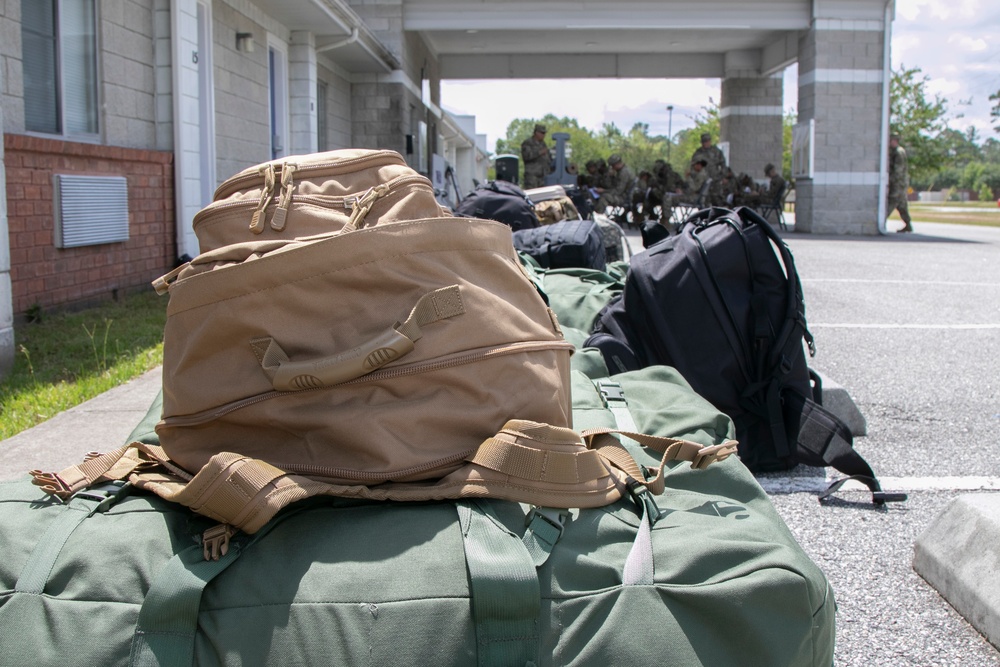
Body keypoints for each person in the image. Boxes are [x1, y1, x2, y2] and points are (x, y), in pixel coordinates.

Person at [594, 154, 636, 218]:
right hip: (622, 196)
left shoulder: (624, 173)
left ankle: (598, 217)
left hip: (623, 198)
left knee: (604, 197)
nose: (612, 168)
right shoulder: (621, 171)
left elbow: (618, 191)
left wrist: (603, 191)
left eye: (612, 166)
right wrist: (612, 177)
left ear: (617, 164)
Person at [888, 134, 913, 233]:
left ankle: (881, 222)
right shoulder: (895, 151)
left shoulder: (899, 152)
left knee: (892, 201)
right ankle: (908, 225)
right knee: (902, 205)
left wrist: (891, 181)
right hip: (900, 183)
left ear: (894, 140)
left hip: (898, 184)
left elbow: (898, 170)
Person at [520, 123, 551, 189]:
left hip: (542, 176)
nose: (544, 135)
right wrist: (539, 152)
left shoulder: (543, 144)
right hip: (532, 176)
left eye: (544, 133)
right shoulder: (528, 143)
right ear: (536, 133)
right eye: (542, 133)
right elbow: (526, 156)